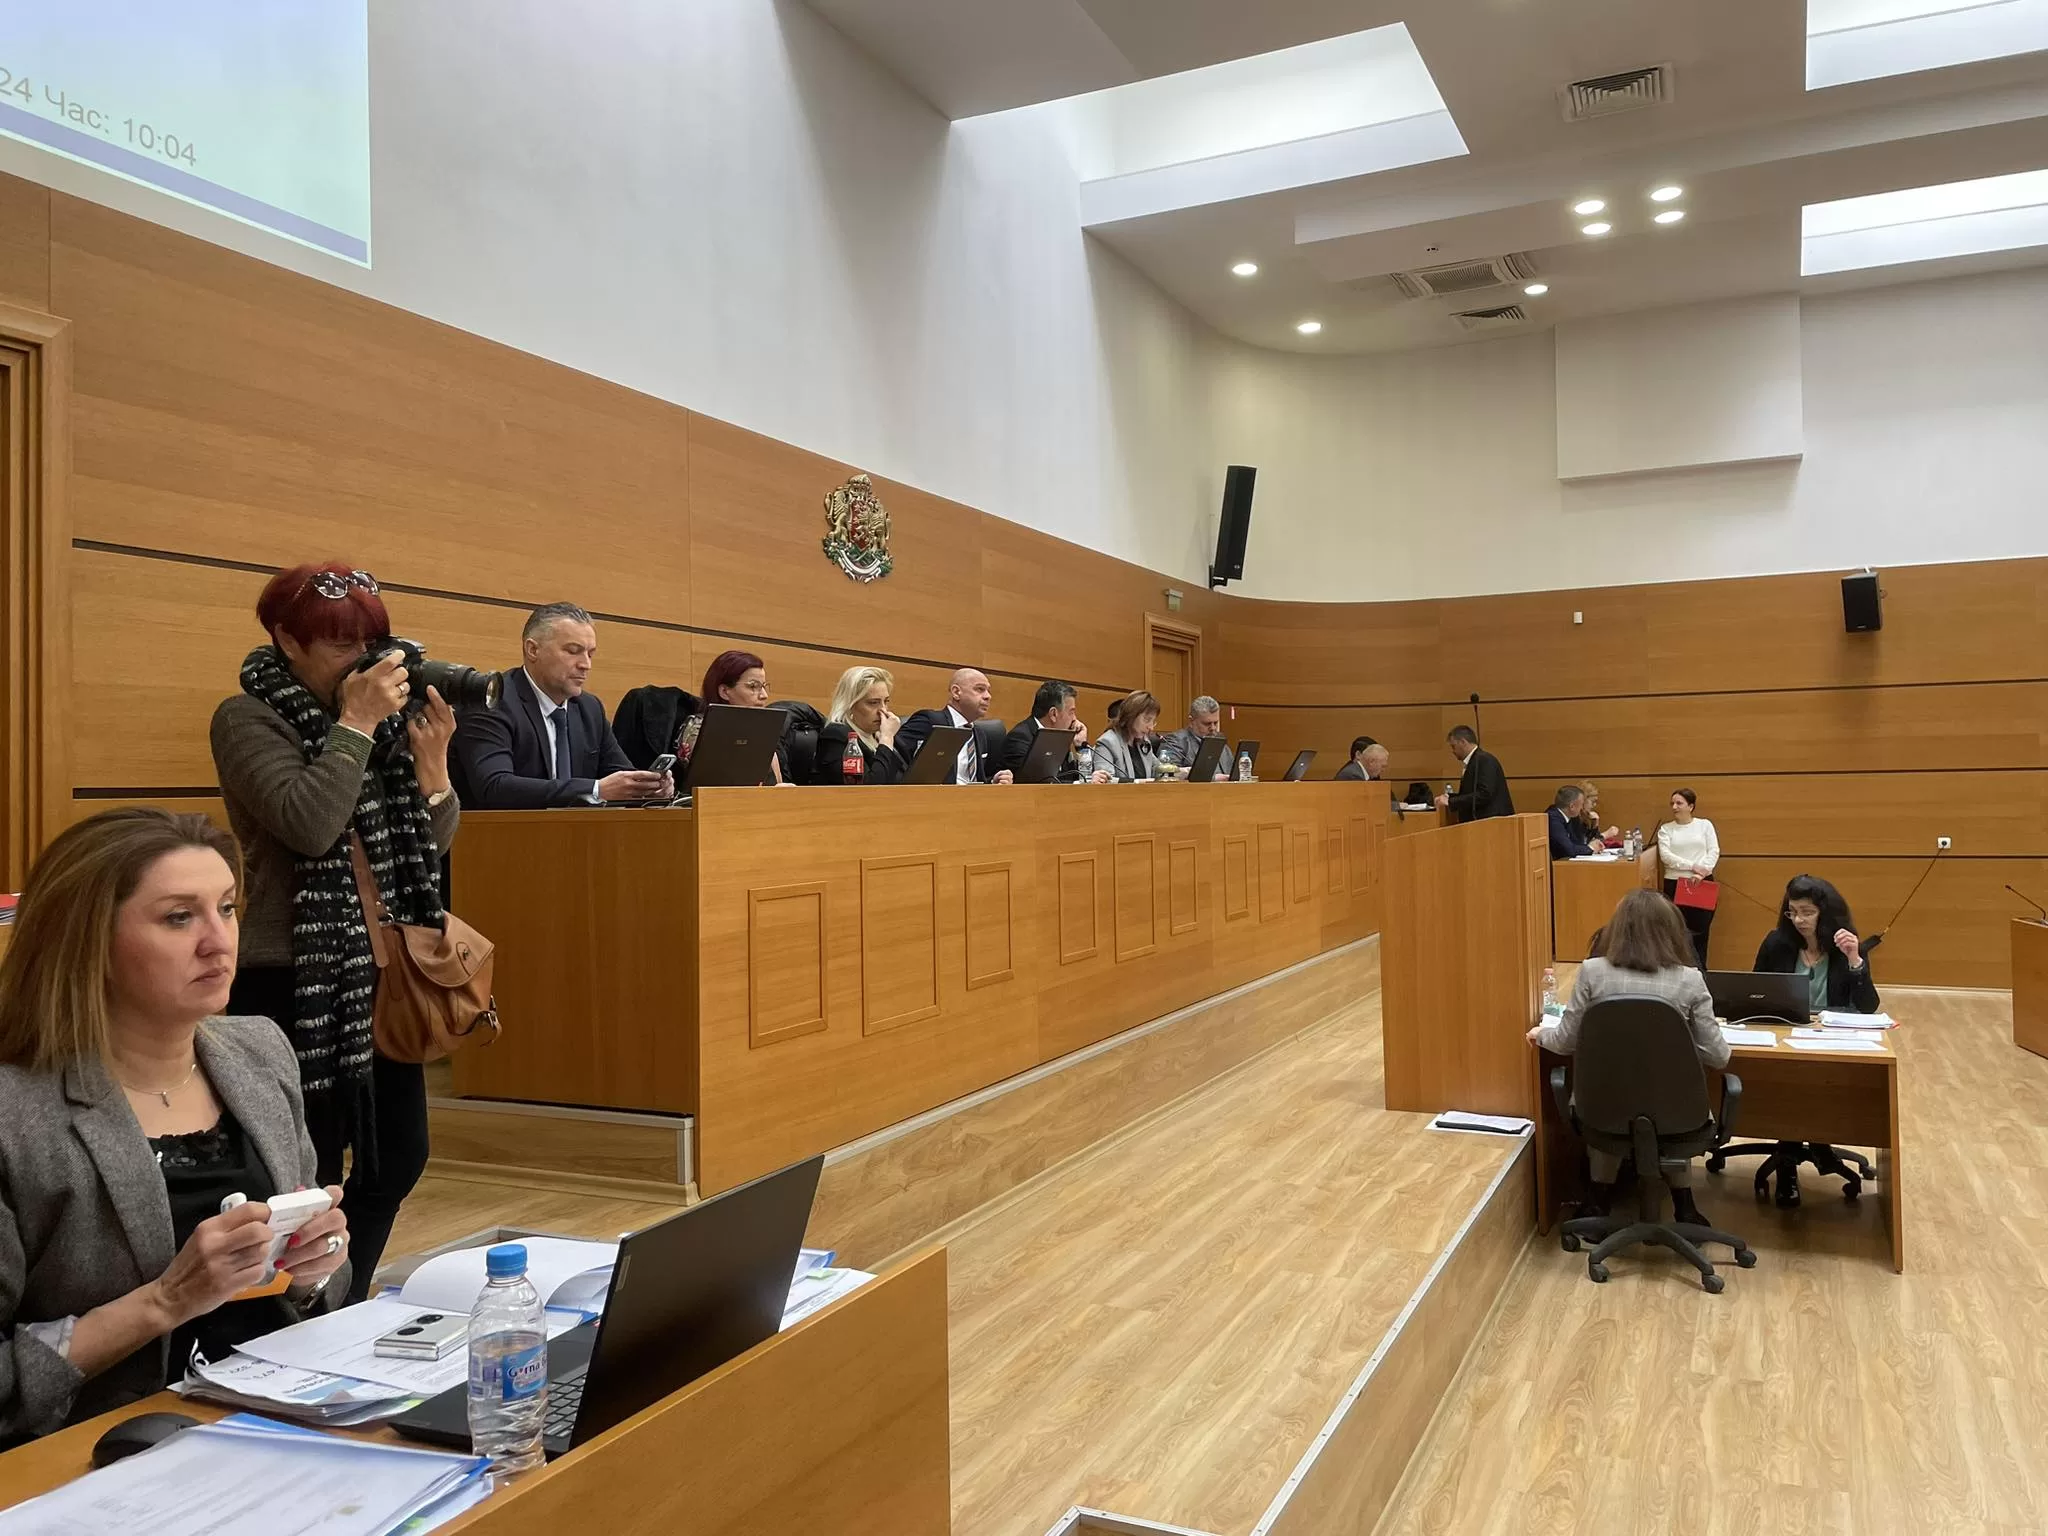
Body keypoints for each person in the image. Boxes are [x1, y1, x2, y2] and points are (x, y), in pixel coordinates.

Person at [0, 809, 352, 1439]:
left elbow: (310, 1289)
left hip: (280, 1418)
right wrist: (165, 1301)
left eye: (228, 908)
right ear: (89, 942)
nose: (219, 941)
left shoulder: (260, 1052)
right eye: (179, 917)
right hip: (96, 1450)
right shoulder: (16, 1112)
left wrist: (312, 1269)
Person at [209, 563, 456, 1299]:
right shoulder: (246, 718)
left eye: (369, 641)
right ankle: (294, 1314)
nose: (360, 658)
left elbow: (428, 848)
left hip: (379, 967)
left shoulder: (380, 729)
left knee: (397, 1157)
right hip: (290, 973)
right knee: (306, 1174)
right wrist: (355, 726)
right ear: (287, 639)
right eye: (340, 643)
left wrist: (436, 772)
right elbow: (310, 824)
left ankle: (342, 1297)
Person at [1528, 889, 1730, 1223]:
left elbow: (1564, 1042)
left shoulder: (1593, 972)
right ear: (1672, 930)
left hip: (1602, 1110)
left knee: (1615, 1098)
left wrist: (1540, 1034)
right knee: (1668, 1097)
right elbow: (1718, 1057)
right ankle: (1684, 1204)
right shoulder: (1690, 981)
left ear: (1618, 928)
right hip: (1677, 1113)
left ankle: (1597, 1201)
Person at [453, 602, 669, 808]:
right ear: (533, 650)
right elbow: (495, 787)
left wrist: (647, 789)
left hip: (576, 833)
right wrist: (595, 790)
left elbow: (619, 776)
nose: (586, 664)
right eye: (573, 651)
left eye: (590, 654)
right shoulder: (491, 701)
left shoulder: (589, 708)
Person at [1753, 875, 1881, 1016]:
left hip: (1832, 1027)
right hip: (1785, 1024)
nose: (1798, 920)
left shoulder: (1847, 947)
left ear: (1826, 914)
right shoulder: (1776, 943)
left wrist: (1855, 962)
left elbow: (1868, 1007)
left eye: (1807, 913)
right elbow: (1755, 994)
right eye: (1793, 912)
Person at [676, 649, 786, 785]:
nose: (764, 695)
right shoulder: (698, 728)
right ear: (724, 691)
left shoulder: (763, 732)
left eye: (763, 686)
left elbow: (775, 785)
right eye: (753, 686)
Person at [895, 668, 1012, 784]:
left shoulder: (980, 734)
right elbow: (895, 758)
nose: (988, 696)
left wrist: (992, 783)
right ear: (956, 692)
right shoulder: (930, 722)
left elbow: (971, 780)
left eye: (988, 691)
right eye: (980, 689)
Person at [809, 666, 910, 785]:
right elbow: (869, 788)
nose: (883, 710)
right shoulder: (836, 737)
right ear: (850, 705)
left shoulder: (883, 734)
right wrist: (887, 739)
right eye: (873, 703)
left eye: (886, 701)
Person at [1656, 788, 1720, 969]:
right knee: (1677, 932)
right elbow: (1666, 856)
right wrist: (1693, 866)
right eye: (1672, 803)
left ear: (1691, 806)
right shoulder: (1666, 829)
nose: (1674, 807)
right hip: (1676, 884)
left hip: (1702, 882)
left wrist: (1702, 872)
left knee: (1701, 933)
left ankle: (1700, 971)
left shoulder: (1704, 825)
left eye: (1679, 803)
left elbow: (1713, 850)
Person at [998, 681, 1110, 784]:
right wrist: (1084, 784)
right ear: (1053, 714)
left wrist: (1081, 747)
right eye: (1071, 712)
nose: (1074, 719)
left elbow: (1075, 777)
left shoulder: (1059, 736)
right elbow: (1035, 783)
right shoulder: (1019, 739)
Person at [1436, 726, 1514, 821]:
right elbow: (1471, 793)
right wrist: (1450, 797)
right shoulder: (1475, 761)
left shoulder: (1484, 760)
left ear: (1463, 742)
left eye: (1453, 746)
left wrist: (1452, 802)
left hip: (1492, 822)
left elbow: (1484, 794)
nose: (1453, 751)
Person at [1094, 690, 1162, 783]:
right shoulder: (1107, 742)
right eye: (1147, 720)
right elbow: (1105, 781)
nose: (1151, 727)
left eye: (1153, 722)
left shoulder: (1143, 742)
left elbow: (1159, 771)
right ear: (1131, 716)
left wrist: (1180, 772)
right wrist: (1141, 782)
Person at [1155, 697, 1224, 774]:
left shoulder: (1219, 740)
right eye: (1207, 724)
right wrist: (1214, 778)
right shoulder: (1175, 741)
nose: (1213, 728)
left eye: (1216, 723)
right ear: (1191, 721)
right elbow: (1167, 774)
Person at [1547, 785, 1601, 859]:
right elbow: (1569, 850)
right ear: (1572, 806)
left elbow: (1576, 843)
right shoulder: (1553, 819)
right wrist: (1591, 848)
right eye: (1581, 804)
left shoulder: (1565, 816)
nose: (1582, 808)